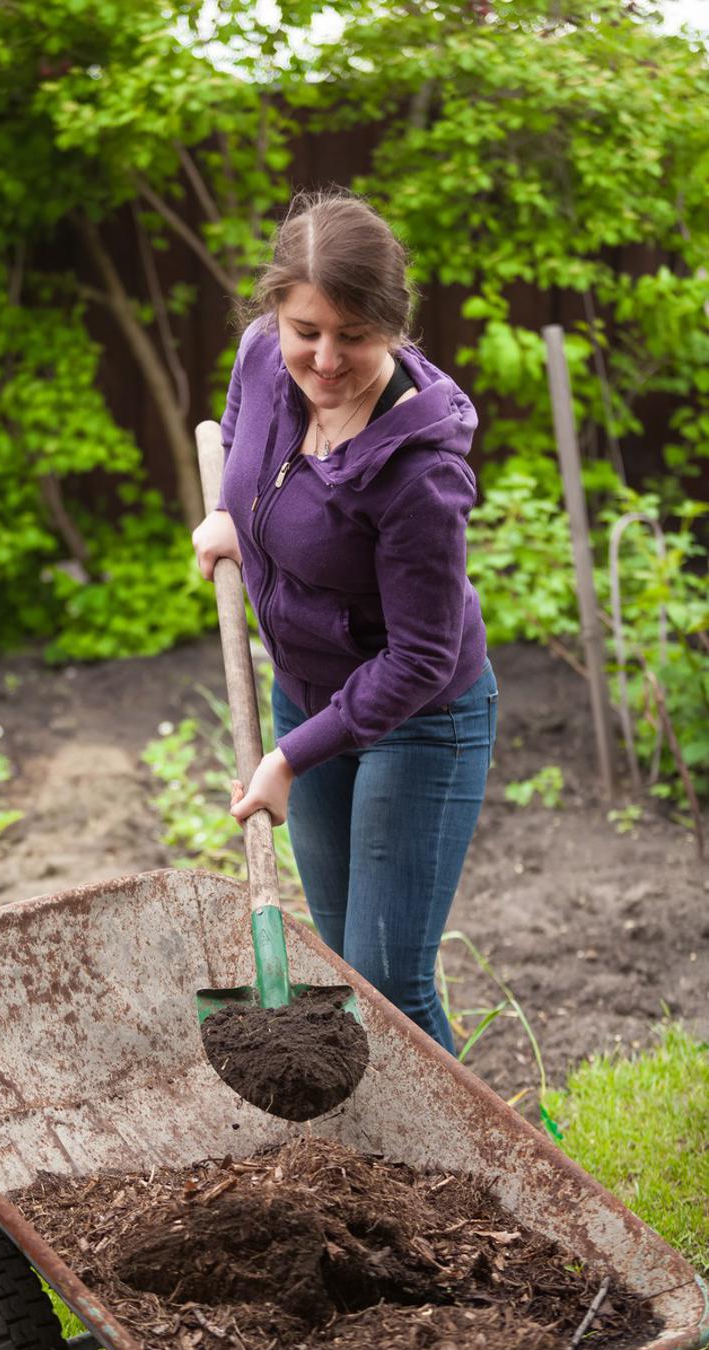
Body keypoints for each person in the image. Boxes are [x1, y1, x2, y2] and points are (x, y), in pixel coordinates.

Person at [192, 190, 497, 1055]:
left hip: (422, 720)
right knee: (354, 977)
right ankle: (395, 1165)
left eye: (353, 336)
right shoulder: (263, 354)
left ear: (394, 327)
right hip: (309, 700)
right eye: (307, 329)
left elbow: (422, 657)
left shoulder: (421, 475)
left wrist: (287, 758)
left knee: (388, 985)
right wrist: (231, 515)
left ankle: (507, 1156)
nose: (324, 358)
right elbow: (243, 433)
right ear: (278, 314)